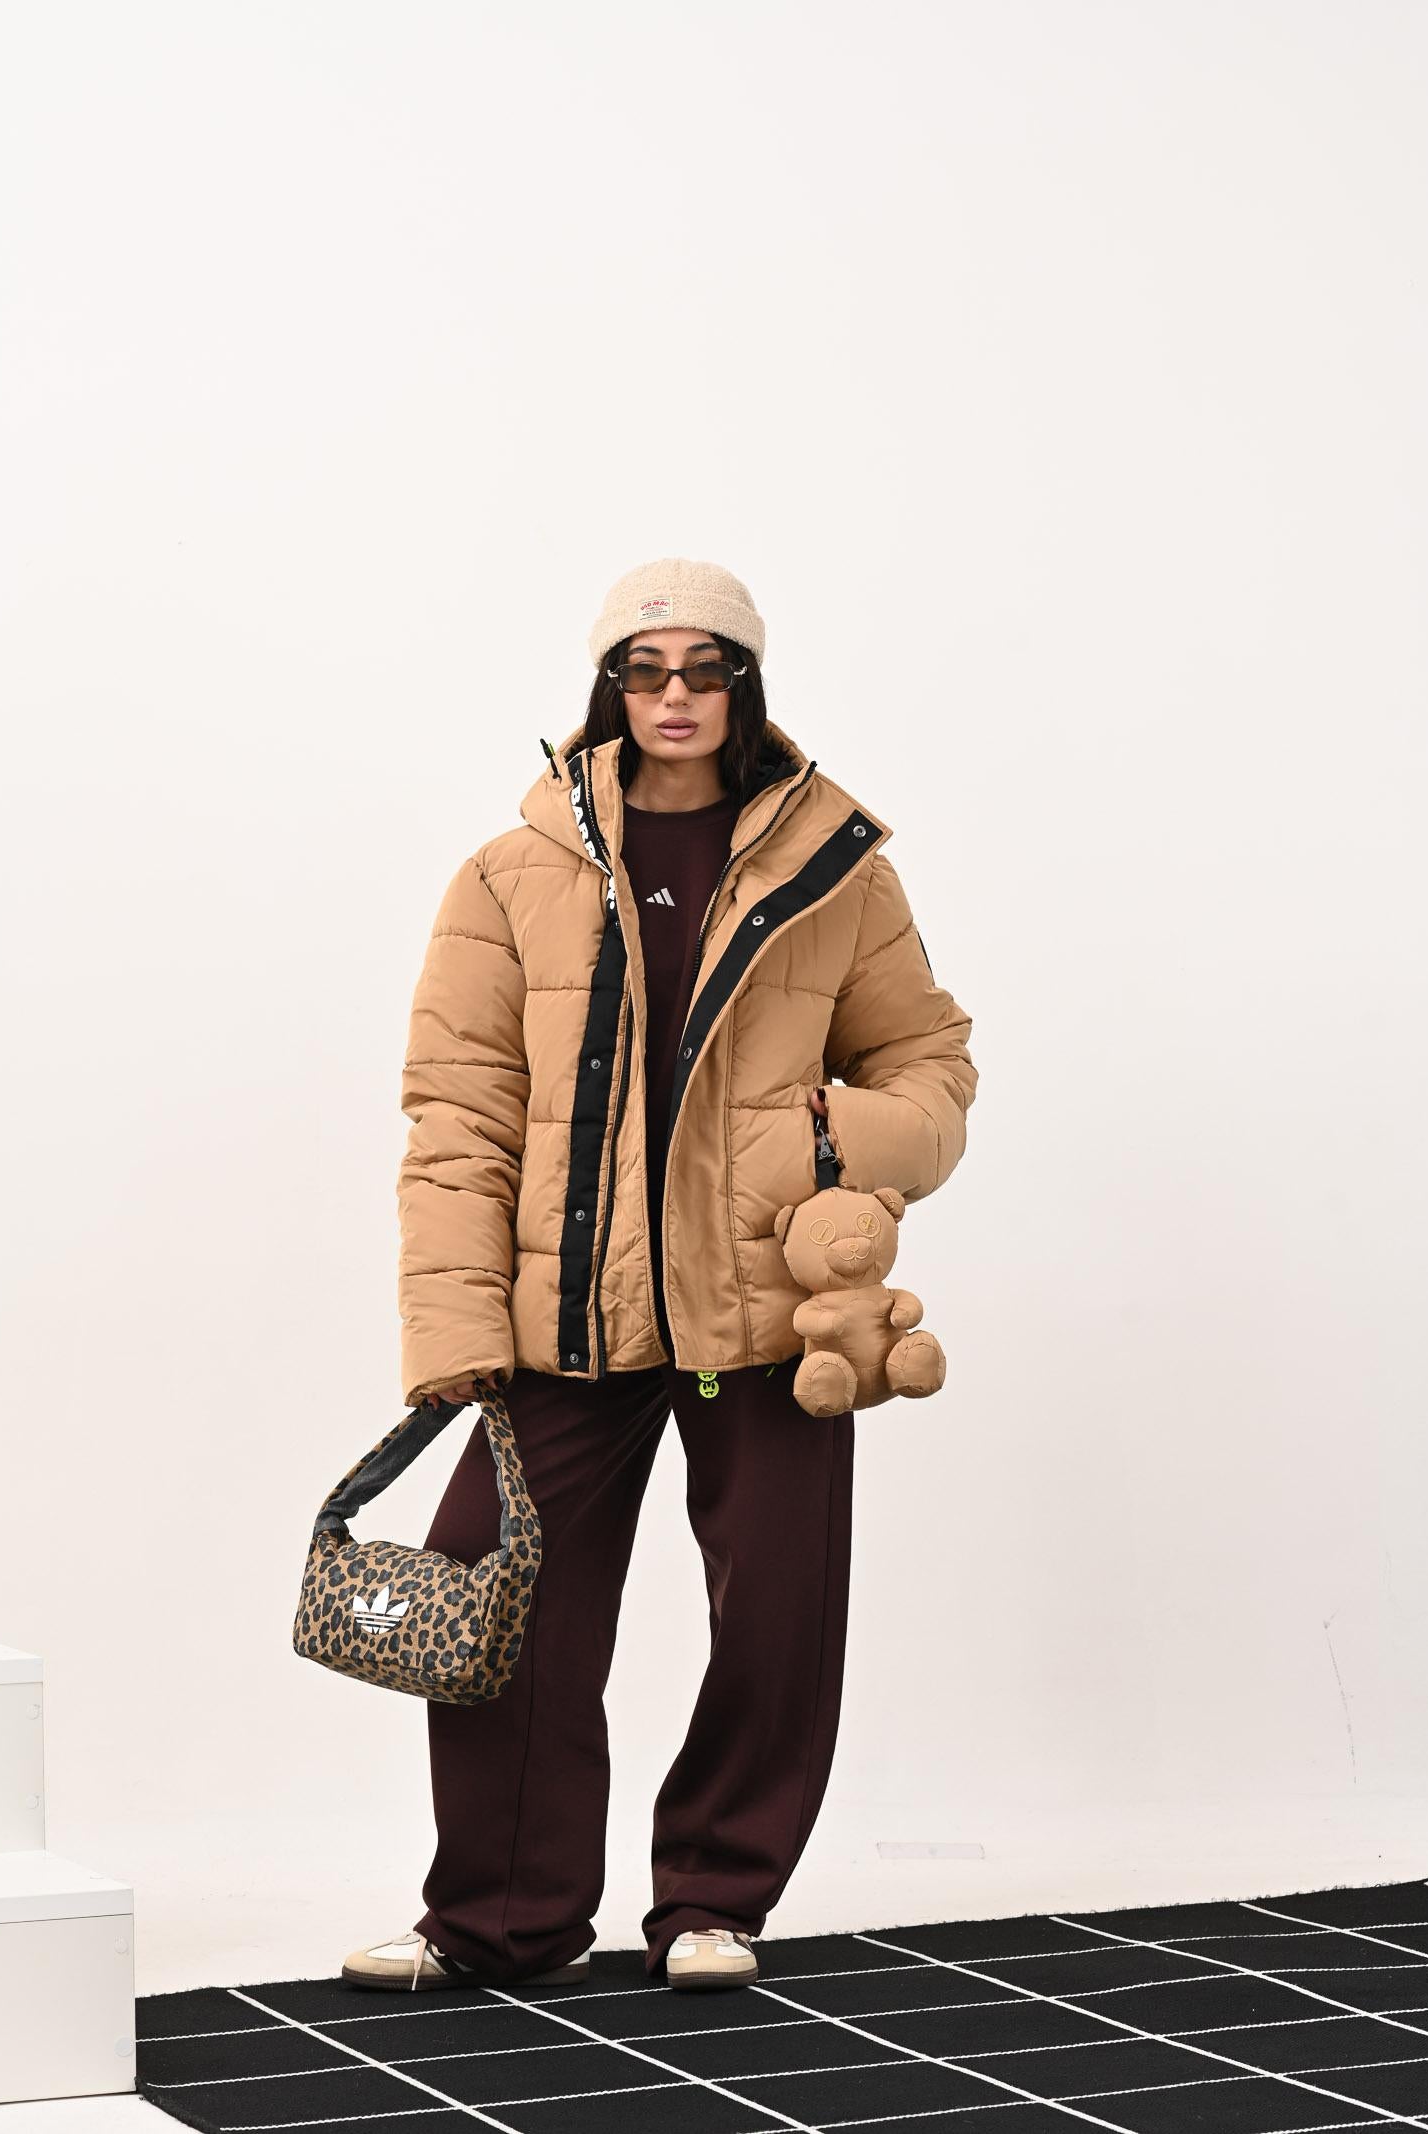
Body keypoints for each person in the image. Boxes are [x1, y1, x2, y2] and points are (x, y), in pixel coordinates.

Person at [342, 557, 978, 1997]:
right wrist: (452, 1328)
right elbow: (457, 1118)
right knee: (496, 1599)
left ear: (745, 684)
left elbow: (931, 1064)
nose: (674, 695)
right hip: (569, 1313)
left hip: (767, 1316)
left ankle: (713, 1898)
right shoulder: (508, 874)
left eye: (705, 668)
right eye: (646, 669)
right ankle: (497, 1920)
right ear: (608, 685)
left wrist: (831, 1136)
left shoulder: (839, 869)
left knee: (776, 1616)